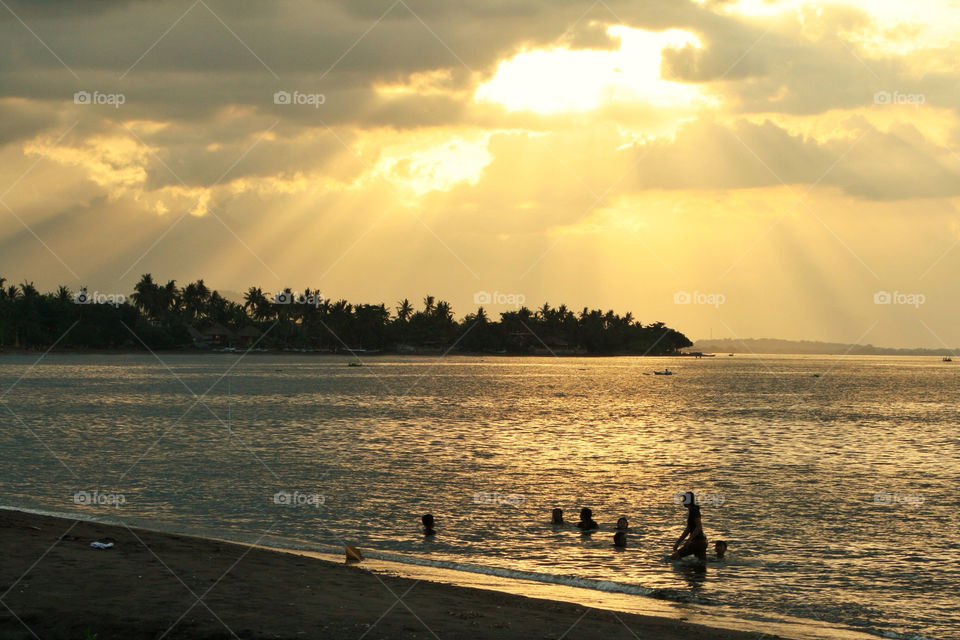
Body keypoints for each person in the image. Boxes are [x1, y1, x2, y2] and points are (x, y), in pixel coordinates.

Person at [671, 492, 707, 561]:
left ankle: (684, 570)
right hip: (702, 542)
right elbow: (688, 529)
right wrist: (678, 542)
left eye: (684, 499)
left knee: (674, 557)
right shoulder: (692, 510)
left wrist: (689, 540)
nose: (682, 501)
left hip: (698, 542)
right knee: (701, 565)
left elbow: (699, 527)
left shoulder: (694, 511)